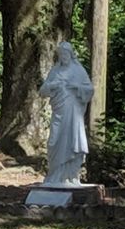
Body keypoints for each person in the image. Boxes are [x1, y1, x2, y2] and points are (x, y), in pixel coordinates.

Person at [38, 41, 94, 184]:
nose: (63, 56)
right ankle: (55, 175)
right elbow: (42, 91)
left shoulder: (78, 71)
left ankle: (70, 176)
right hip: (59, 112)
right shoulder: (55, 71)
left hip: (73, 113)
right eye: (61, 54)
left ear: (70, 54)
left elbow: (89, 90)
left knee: (72, 142)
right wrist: (52, 85)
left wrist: (76, 87)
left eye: (66, 53)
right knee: (54, 141)